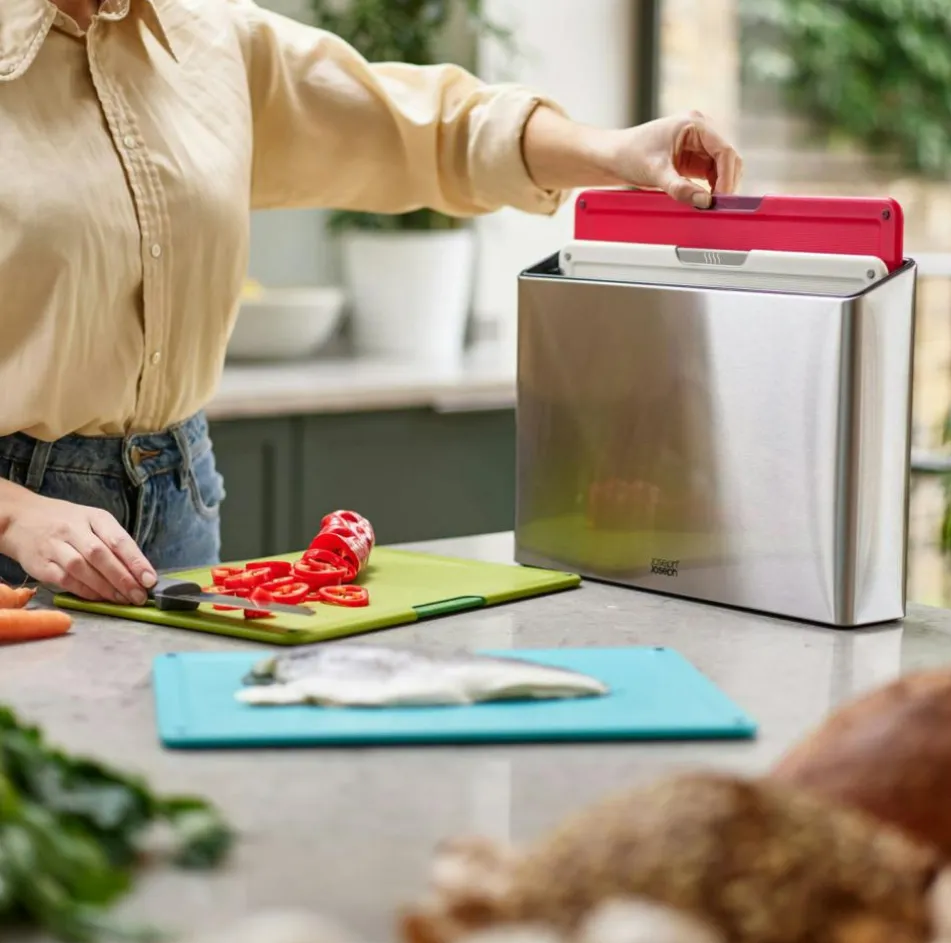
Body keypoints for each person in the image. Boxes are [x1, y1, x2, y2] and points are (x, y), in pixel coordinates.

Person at [0, 0, 743, 606]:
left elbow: (425, 127)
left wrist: (612, 152)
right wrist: (18, 512)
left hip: (178, 495)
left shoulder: (206, 36)